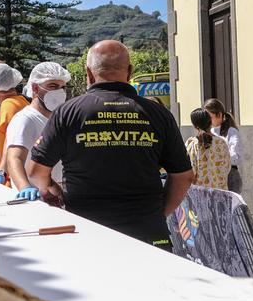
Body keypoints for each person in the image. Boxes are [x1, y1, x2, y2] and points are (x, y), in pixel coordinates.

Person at [28, 41, 195, 250]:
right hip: (149, 233)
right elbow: (184, 177)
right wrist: (158, 214)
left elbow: (36, 171)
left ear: (88, 73)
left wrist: (53, 188)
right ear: (130, 72)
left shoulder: (68, 112)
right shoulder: (159, 114)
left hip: (87, 231)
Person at [5, 62, 71, 200]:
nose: (59, 92)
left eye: (62, 87)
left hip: (55, 196)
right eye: (53, 86)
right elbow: (14, 158)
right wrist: (25, 187)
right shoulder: (25, 119)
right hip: (35, 201)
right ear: (35, 88)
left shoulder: (58, 119)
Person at [185, 108, 230, 190]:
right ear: (210, 122)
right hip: (220, 193)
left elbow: (189, 173)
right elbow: (227, 167)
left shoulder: (193, 144)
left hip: (200, 195)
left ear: (195, 126)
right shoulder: (221, 142)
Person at [203, 98, 242, 193]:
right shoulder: (209, 132)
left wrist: (218, 160)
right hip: (213, 176)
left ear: (219, 115)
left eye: (210, 117)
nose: (207, 121)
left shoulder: (231, 132)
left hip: (229, 176)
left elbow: (237, 157)